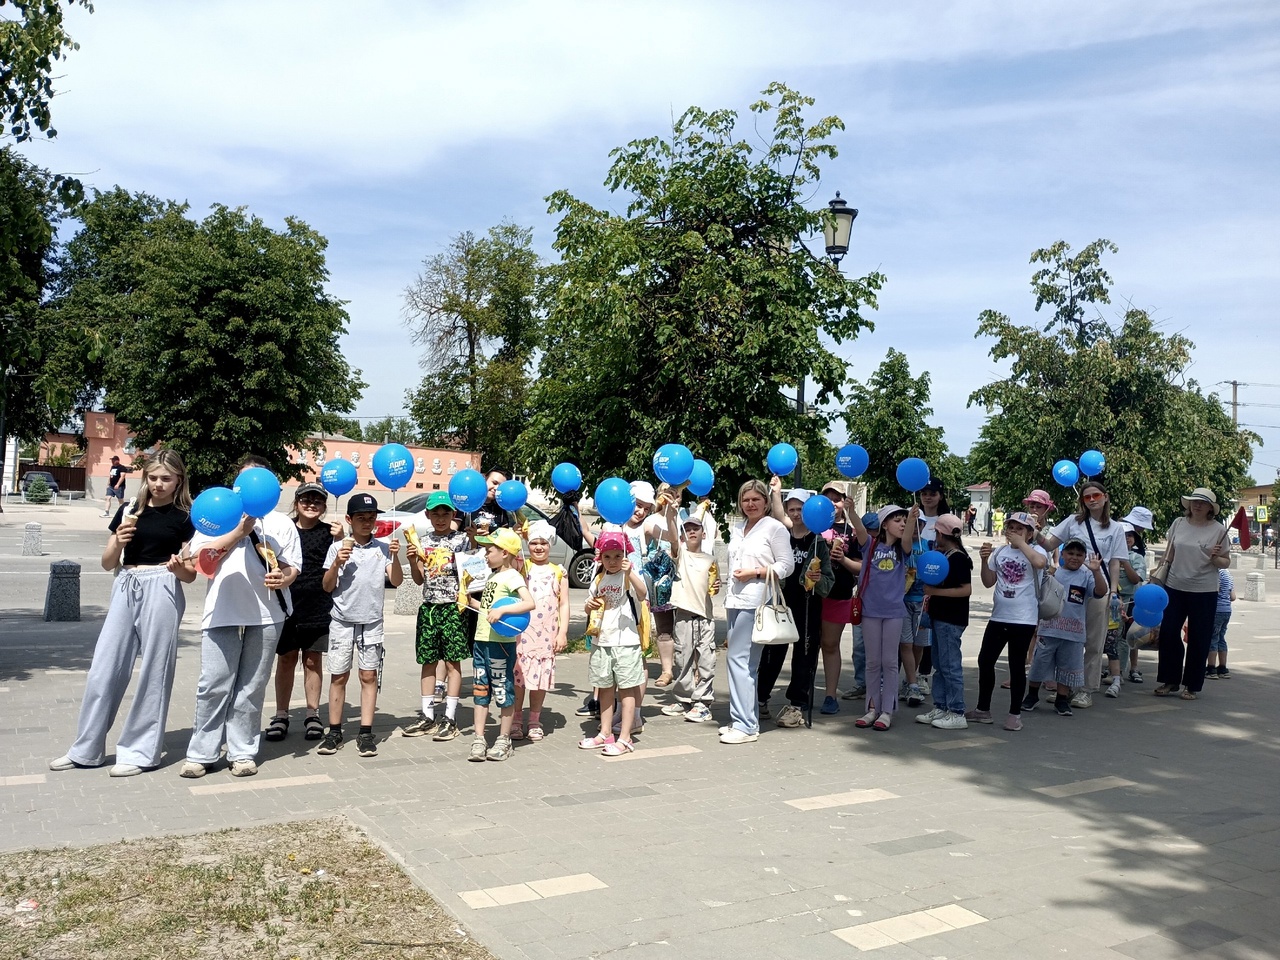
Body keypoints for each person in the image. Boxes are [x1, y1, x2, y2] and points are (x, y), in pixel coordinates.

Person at [51, 450, 196, 777]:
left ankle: (142, 752)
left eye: (166, 478)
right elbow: (107, 563)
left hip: (162, 584)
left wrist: (177, 568)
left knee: (154, 673)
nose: (158, 484)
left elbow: (190, 574)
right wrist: (117, 541)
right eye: (153, 477)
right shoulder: (130, 509)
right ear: (144, 478)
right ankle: (86, 749)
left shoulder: (185, 517)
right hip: (125, 583)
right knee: (104, 668)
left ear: (179, 481)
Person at [182, 456, 301, 779]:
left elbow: (292, 567)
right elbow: (200, 563)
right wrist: (238, 532)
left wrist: (284, 578)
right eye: (245, 480)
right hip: (221, 611)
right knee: (214, 683)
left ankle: (242, 751)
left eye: (258, 480)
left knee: (251, 686)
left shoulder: (281, 523)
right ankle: (201, 752)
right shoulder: (217, 512)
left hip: (266, 613)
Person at [316, 493, 402, 758]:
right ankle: (334, 731)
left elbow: (397, 581)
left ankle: (366, 732)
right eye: (361, 518)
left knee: (368, 676)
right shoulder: (338, 547)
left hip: (371, 621)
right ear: (349, 520)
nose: (367, 522)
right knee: (339, 675)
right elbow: (327, 586)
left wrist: (396, 557)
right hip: (342, 620)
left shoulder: (384, 547)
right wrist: (337, 563)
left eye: (371, 517)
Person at [265, 484, 342, 745]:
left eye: (317, 501)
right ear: (296, 502)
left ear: (324, 506)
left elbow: (340, 562)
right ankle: (281, 714)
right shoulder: (283, 528)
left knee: (312, 660)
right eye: (306, 499)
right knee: (286, 659)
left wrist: (341, 538)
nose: (311, 504)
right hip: (285, 604)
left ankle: (312, 714)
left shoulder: (328, 533)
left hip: (317, 605)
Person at [720, 479, 795, 745]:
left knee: (739, 661)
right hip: (735, 600)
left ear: (765, 501)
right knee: (744, 663)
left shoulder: (774, 528)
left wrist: (757, 572)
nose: (750, 504)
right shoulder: (738, 527)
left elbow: (786, 566)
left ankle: (746, 724)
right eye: (745, 500)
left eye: (756, 499)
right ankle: (744, 718)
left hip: (757, 600)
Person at [1040, 481, 1126, 708]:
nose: (1092, 500)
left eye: (1096, 495)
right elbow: (1050, 544)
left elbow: (1115, 562)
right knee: (1068, 638)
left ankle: (1086, 689)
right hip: (1070, 588)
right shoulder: (1073, 521)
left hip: (1099, 587)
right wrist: (1034, 530)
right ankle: (1065, 688)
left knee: (1094, 642)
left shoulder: (1116, 528)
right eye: (1087, 497)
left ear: (1105, 497)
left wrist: (1114, 592)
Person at [968, 511, 1049, 732]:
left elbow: (1040, 563)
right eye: (1011, 528)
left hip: (1024, 619)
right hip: (999, 616)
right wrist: (985, 559)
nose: (1013, 532)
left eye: (1019, 529)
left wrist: (1022, 543)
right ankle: (983, 709)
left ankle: (1015, 714)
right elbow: (987, 582)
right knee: (985, 661)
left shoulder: (1037, 551)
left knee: (1016, 666)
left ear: (1030, 533)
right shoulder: (1001, 552)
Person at [760, 484, 833, 727]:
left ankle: (798, 704)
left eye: (800, 509)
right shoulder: (781, 536)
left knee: (804, 656)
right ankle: (760, 698)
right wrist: (775, 493)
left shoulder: (818, 541)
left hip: (808, 608)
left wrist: (818, 580)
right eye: (791, 509)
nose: (795, 513)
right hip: (781, 605)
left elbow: (828, 578)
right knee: (772, 652)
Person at [403, 491, 470, 742]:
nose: (441, 518)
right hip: (430, 607)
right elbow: (420, 578)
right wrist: (412, 561)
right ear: (428, 515)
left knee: (453, 663)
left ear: (454, 515)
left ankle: (450, 718)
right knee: (428, 661)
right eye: (436, 514)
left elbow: (470, 574)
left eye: (446, 513)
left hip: (453, 608)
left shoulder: (462, 540)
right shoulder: (422, 541)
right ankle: (427, 715)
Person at [847, 503, 918, 731]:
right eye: (897, 520)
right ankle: (871, 708)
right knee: (872, 662)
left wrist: (912, 518)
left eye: (904, 521)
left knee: (889, 662)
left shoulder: (903, 549)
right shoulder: (870, 544)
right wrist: (850, 510)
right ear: (884, 524)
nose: (901, 524)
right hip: (870, 611)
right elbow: (858, 529)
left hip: (894, 613)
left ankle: (886, 710)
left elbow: (907, 538)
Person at [467, 528, 536, 761]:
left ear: (505, 553)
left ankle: (504, 739)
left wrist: (504, 609)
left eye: (490, 550)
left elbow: (529, 603)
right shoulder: (492, 577)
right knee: (480, 689)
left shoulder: (513, 576)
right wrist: (469, 602)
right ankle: (479, 738)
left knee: (502, 689)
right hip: (481, 641)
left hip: (501, 645)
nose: (486, 555)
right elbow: (488, 611)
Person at [1155, 488, 1230, 699]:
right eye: (1194, 501)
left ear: (1210, 509)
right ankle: (1170, 680)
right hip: (1174, 585)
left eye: (1202, 503)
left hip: (1204, 589)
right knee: (1169, 633)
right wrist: (1158, 573)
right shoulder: (1178, 523)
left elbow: (1225, 561)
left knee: (1199, 638)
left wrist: (1216, 559)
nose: (1197, 505)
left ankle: (1192, 685)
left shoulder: (1218, 530)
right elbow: (1169, 552)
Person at [578, 532, 648, 755]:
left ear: (625, 555)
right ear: (601, 558)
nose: (613, 561)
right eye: (608, 556)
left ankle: (625, 737)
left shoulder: (630, 575)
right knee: (605, 688)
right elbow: (590, 607)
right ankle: (605, 733)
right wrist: (589, 606)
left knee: (626, 690)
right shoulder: (598, 578)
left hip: (626, 642)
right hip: (602, 641)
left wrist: (631, 573)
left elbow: (643, 593)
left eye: (618, 555)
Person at [1023, 539, 1108, 716]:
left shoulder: (1086, 575)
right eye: (1070, 553)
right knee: (1040, 663)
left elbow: (1100, 592)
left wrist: (1097, 571)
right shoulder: (1054, 574)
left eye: (1079, 554)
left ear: (1085, 557)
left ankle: (1062, 699)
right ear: (1062, 554)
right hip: (1049, 629)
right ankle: (1032, 695)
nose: (1074, 558)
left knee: (1068, 667)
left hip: (1074, 633)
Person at [659, 506, 719, 723]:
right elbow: (674, 537)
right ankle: (684, 698)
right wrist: (671, 514)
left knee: (705, 659)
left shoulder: (710, 559)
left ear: (704, 533)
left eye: (696, 528)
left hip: (705, 616)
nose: (692, 532)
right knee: (682, 659)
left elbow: (714, 583)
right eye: (688, 529)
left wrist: (717, 585)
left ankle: (703, 701)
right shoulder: (680, 554)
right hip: (684, 614)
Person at [511, 520, 570, 741]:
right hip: (521, 633)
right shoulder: (523, 567)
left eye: (543, 543)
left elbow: (564, 604)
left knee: (539, 679)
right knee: (519, 677)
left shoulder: (558, 572)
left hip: (546, 635)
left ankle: (534, 719)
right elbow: (511, 556)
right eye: (534, 542)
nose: (538, 547)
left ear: (550, 545)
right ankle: (516, 718)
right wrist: (518, 537)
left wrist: (562, 632)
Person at [916, 513, 972, 730]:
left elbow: (965, 590)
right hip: (941, 617)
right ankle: (941, 705)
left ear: (941, 533)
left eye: (937, 532)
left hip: (951, 619)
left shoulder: (958, 558)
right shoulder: (944, 554)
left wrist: (935, 591)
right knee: (939, 665)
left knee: (950, 666)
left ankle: (957, 711)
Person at [817, 482, 860, 713]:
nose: (833, 503)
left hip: (839, 594)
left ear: (845, 501)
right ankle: (801, 691)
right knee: (808, 645)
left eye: (838, 498)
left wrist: (842, 558)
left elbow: (860, 568)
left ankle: (830, 696)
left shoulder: (852, 533)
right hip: (811, 594)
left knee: (830, 644)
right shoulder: (811, 524)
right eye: (828, 498)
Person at [840, 512, 880, 704]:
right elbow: (857, 566)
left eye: (875, 531)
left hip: (881, 603)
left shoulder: (885, 545)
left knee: (879, 647)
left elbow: (864, 567)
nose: (872, 535)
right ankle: (861, 683)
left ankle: (879, 685)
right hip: (860, 599)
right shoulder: (856, 543)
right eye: (869, 530)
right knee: (859, 646)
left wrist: (854, 564)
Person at [1207, 568, 1234, 679]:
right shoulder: (1229, 575)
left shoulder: (1217, 574)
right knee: (1221, 638)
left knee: (1213, 638)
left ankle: (1211, 669)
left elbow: (1215, 591)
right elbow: (1233, 597)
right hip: (1227, 610)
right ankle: (1223, 668)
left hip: (1217, 610)